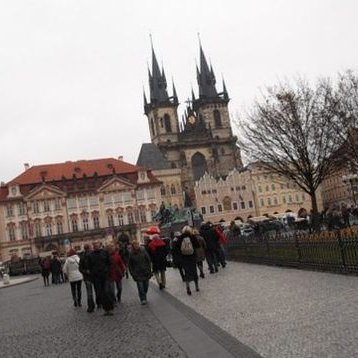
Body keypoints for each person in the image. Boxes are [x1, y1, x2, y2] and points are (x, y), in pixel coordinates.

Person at [88, 241, 114, 316]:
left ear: (100, 245)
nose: (96, 246)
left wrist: (108, 270)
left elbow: (109, 262)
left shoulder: (105, 252)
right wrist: (93, 274)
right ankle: (106, 309)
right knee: (101, 293)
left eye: (97, 245)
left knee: (107, 291)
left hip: (105, 275)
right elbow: (90, 266)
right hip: (97, 277)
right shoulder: (91, 255)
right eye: (95, 245)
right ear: (93, 246)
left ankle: (110, 308)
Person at [176, 226, 200, 295]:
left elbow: (176, 248)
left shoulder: (180, 237)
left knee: (187, 272)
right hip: (192, 257)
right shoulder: (192, 236)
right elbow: (197, 245)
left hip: (184, 258)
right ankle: (197, 287)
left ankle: (188, 287)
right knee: (194, 271)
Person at [128, 239, 152, 305]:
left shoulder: (143, 251)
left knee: (146, 286)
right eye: (135, 245)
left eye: (137, 244)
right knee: (140, 287)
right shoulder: (131, 253)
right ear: (133, 246)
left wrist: (149, 269)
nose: (136, 246)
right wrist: (132, 273)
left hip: (145, 271)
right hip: (137, 273)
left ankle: (144, 294)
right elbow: (130, 265)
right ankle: (143, 299)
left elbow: (148, 260)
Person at [79, 244, 96, 313]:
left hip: (87, 277)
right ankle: (98, 303)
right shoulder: (93, 255)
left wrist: (85, 271)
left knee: (89, 292)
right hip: (94, 276)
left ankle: (90, 307)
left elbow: (80, 268)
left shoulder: (82, 257)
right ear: (89, 248)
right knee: (97, 290)